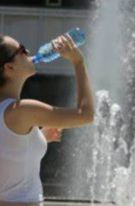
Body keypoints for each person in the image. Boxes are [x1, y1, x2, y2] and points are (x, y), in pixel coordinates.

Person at [0, 33, 95, 206]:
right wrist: (78, 62)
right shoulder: (22, 110)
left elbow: (7, 152)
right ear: (9, 67)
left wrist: (40, 138)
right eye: (21, 50)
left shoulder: (15, 114)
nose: (27, 51)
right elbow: (86, 114)